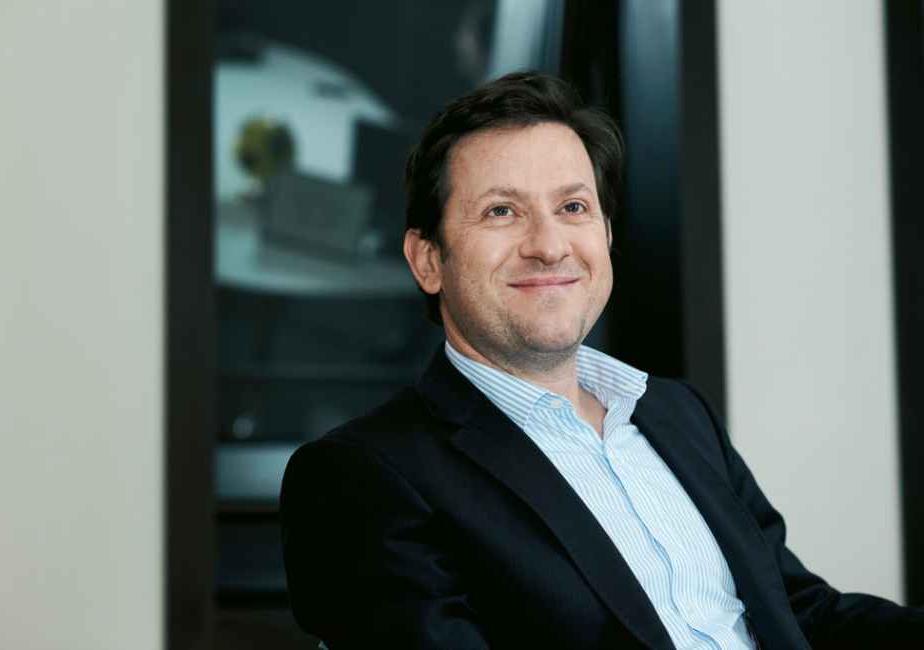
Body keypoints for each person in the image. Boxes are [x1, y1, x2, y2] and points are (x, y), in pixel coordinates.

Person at [280, 72, 924, 649]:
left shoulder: (677, 413)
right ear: (428, 260)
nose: (549, 245)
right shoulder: (360, 477)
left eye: (573, 207)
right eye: (501, 211)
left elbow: (799, 612)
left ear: (606, 235)